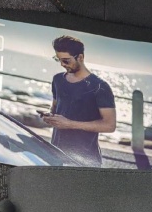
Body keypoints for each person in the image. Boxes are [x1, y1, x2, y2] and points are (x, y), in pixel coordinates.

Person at [43, 35, 117, 166]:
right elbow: (55, 108)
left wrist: (69, 124)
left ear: (80, 57)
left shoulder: (100, 87)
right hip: (55, 154)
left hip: (85, 160)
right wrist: (50, 117)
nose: (62, 64)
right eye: (58, 59)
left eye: (66, 60)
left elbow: (109, 125)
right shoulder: (57, 80)